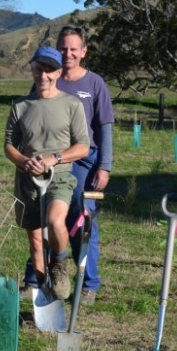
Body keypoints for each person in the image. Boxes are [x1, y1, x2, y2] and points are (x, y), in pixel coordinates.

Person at [4, 46, 90, 299]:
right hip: (28, 178)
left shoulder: (72, 105)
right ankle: (40, 286)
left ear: (58, 72)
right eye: (38, 69)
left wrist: (56, 158)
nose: (43, 75)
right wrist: (23, 161)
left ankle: (60, 265)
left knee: (54, 221)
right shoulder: (20, 106)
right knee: (34, 238)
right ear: (31, 69)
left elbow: (83, 146)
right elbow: (9, 145)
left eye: (49, 70)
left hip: (60, 176)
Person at [56, 26, 114, 305]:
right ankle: (43, 277)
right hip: (52, 159)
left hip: (84, 161)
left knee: (82, 219)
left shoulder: (94, 84)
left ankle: (88, 283)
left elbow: (104, 127)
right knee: (48, 218)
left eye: (73, 49)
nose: (68, 54)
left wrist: (104, 166)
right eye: (64, 48)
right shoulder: (50, 79)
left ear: (83, 51)